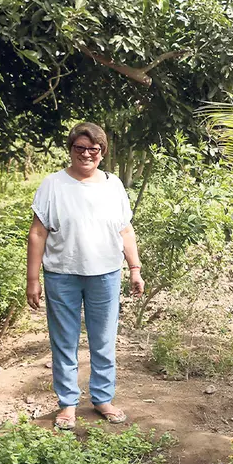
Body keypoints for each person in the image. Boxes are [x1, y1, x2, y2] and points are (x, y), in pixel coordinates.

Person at [25, 122, 145, 430]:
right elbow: (38, 232)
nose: (86, 154)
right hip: (61, 275)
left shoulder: (113, 185)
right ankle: (67, 404)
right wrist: (32, 279)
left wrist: (134, 269)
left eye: (94, 149)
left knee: (103, 341)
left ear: (102, 152)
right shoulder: (53, 184)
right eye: (80, 148)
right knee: (64, 342)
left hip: (105, 274)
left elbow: (125, 230)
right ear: (71, 150)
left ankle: (102, 398)